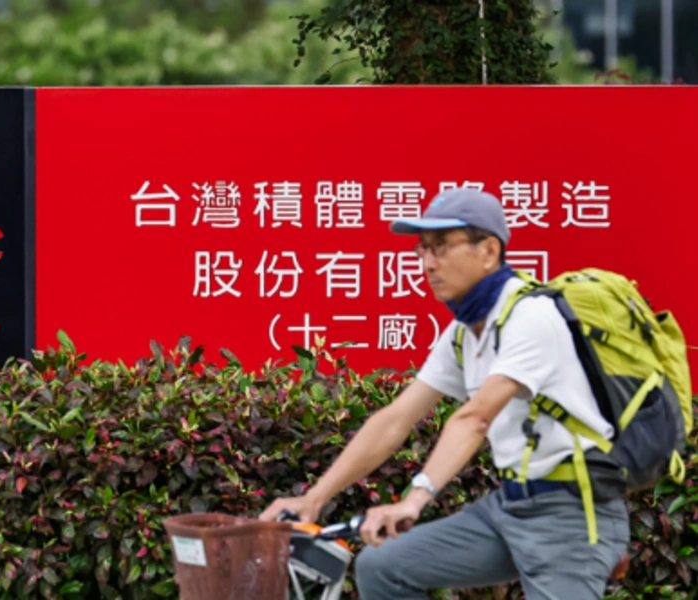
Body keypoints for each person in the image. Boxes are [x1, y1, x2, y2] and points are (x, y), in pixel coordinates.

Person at [258, 187, 630, 599]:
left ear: (489, 251)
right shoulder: (465, 332)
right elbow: (396, 419)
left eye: (441, 247)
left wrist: (413, 501)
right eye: (422, 250)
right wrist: (314, 498)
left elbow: (475, 418)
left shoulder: (532, 316)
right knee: (384, 566)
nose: (428, 263)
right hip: (511, 506)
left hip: (574, 514)